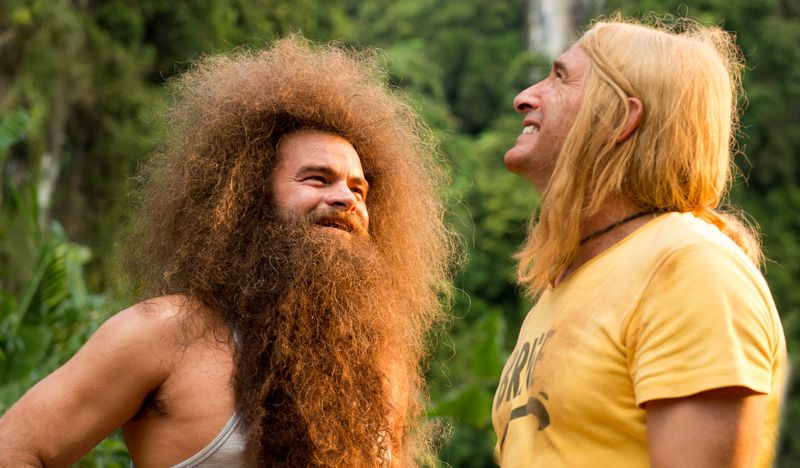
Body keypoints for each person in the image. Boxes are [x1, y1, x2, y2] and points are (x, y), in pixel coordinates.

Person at [0, 37, 453, 467]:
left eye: (359, 189)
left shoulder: (380, 369)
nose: (346, 199)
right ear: (248, 196)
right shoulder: (163, 333)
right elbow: (15, 449)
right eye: (317, 179)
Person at [492, 16, 787, 467]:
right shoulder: (560, 288)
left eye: (559, 78)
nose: (525, 97)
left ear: (620, 119)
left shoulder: (691, 268)